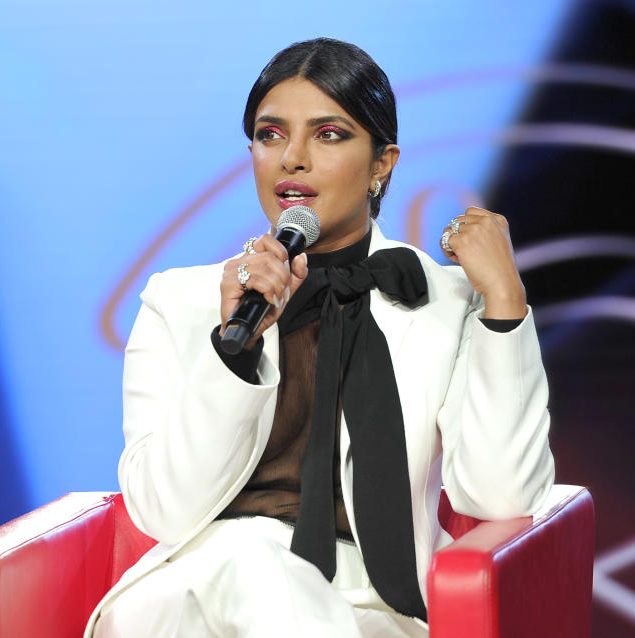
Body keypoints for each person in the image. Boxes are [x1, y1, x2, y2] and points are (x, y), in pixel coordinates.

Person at [86, 37, 554, 638]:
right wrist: (237, 348)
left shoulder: (446, 301)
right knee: (250, 556)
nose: (292, 159)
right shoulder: (181, 302)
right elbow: (163, 510)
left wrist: (505, 304)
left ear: (382, 163)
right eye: (270, 134)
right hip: (188, 596)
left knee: (266, 575)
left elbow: (500, 495)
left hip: (366, 609)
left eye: (328, 134)